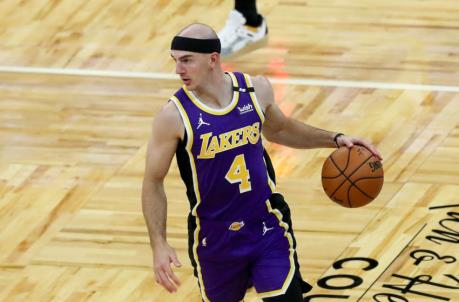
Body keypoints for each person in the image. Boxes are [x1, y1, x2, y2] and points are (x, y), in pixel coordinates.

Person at [142, 23, 382, 302]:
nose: (178, 70)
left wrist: (337, 139)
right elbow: (153, 180)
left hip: (266, 226)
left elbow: (280, 129)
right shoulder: (174, 116)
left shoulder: (255, 90)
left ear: (212, 59)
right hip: (214, 238)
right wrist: (158, 244)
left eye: (186, 61)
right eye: (175, 61)